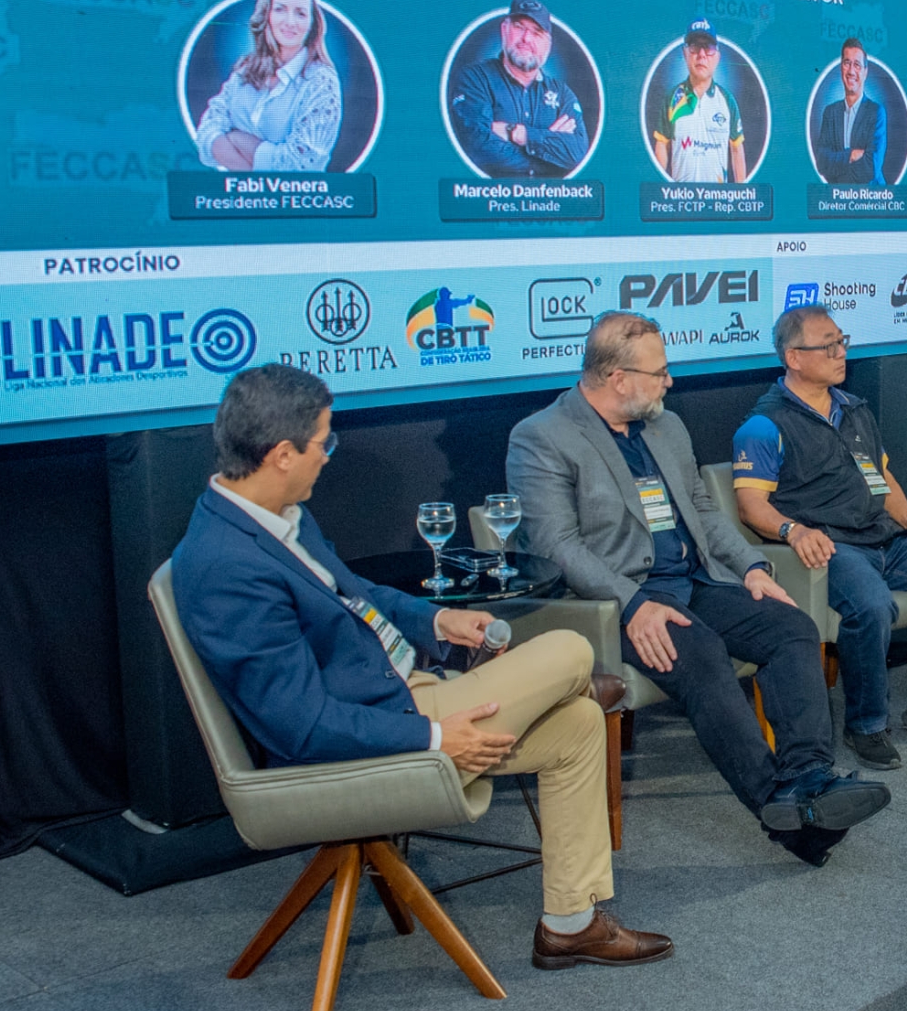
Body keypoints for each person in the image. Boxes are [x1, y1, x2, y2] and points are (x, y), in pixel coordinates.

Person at [171, 363, 670, 971]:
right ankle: (564, 685)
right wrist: (433, 738)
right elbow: (301, 728)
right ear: (281, 454)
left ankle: (570, 925)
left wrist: (437, 621)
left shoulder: (279, 515)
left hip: (402, 688)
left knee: (579, 726)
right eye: (323, 442)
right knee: (569, 649)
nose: (328, 455)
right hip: (374, 732)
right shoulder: (225, 565)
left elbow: (358, 595)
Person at [506, 313, 887, 865]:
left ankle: (808, 776)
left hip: (695, 580)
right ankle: (782, 812)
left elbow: (705, 512)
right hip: (615, 602)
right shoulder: (542, 437)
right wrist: (633, 604)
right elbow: (556, 547)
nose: (670, 382)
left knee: (792, 628)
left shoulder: (666, 425)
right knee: (702, 652)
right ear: (617, 378)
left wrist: (752, 567)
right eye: (659, 373)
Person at [732, 305, 907, 770]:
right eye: (828, 346)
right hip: (832, 547)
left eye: (842, 342)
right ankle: (867, 724)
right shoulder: (763, 425)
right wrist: (794, 530)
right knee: (872, 605)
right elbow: (750, 506)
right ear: (794, 357)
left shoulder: (854, 409)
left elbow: (881, 478)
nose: (841, 353)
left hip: (886, 538)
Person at [196, 0, 343, 172]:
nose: (290, 22)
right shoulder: (245, 69)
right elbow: (207, 133)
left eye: (300, 13)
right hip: (236, 193)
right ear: (267, 15)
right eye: (280, 9)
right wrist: (255, 177)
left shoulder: (321, 80)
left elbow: (302, 164)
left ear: (312, 23)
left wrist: (235, 139)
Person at [446, 0, 592, 179]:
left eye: (537, 32)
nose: (526, 38)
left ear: (548, 44)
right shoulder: (475, 78)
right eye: (519, 27)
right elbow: (477, 147)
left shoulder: (562, 94)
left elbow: (577, 153)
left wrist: (515, 132)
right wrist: (549, 153)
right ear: (504, 30)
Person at [650, 18, 746, 184]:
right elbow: (662, 144)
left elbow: (737, 149)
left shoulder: (727, 100)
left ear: (717, 57)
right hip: (681, 196)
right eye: (694, 47)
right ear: (685, 53)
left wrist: (742, 192)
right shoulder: (673, 98)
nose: (701, 54)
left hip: (717, 197)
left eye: (708, 48)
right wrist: (661, 189)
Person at [810, 39, 886, 185]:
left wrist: (837, 165)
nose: (851, 71)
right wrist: (851, 155)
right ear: (841, 68)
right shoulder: (830, 113)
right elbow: (822, 162)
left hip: (872, 196)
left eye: (857, 65)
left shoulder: (876, 112)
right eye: (847, 63)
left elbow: (871, 168)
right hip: (838, 196)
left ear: (865, 72)